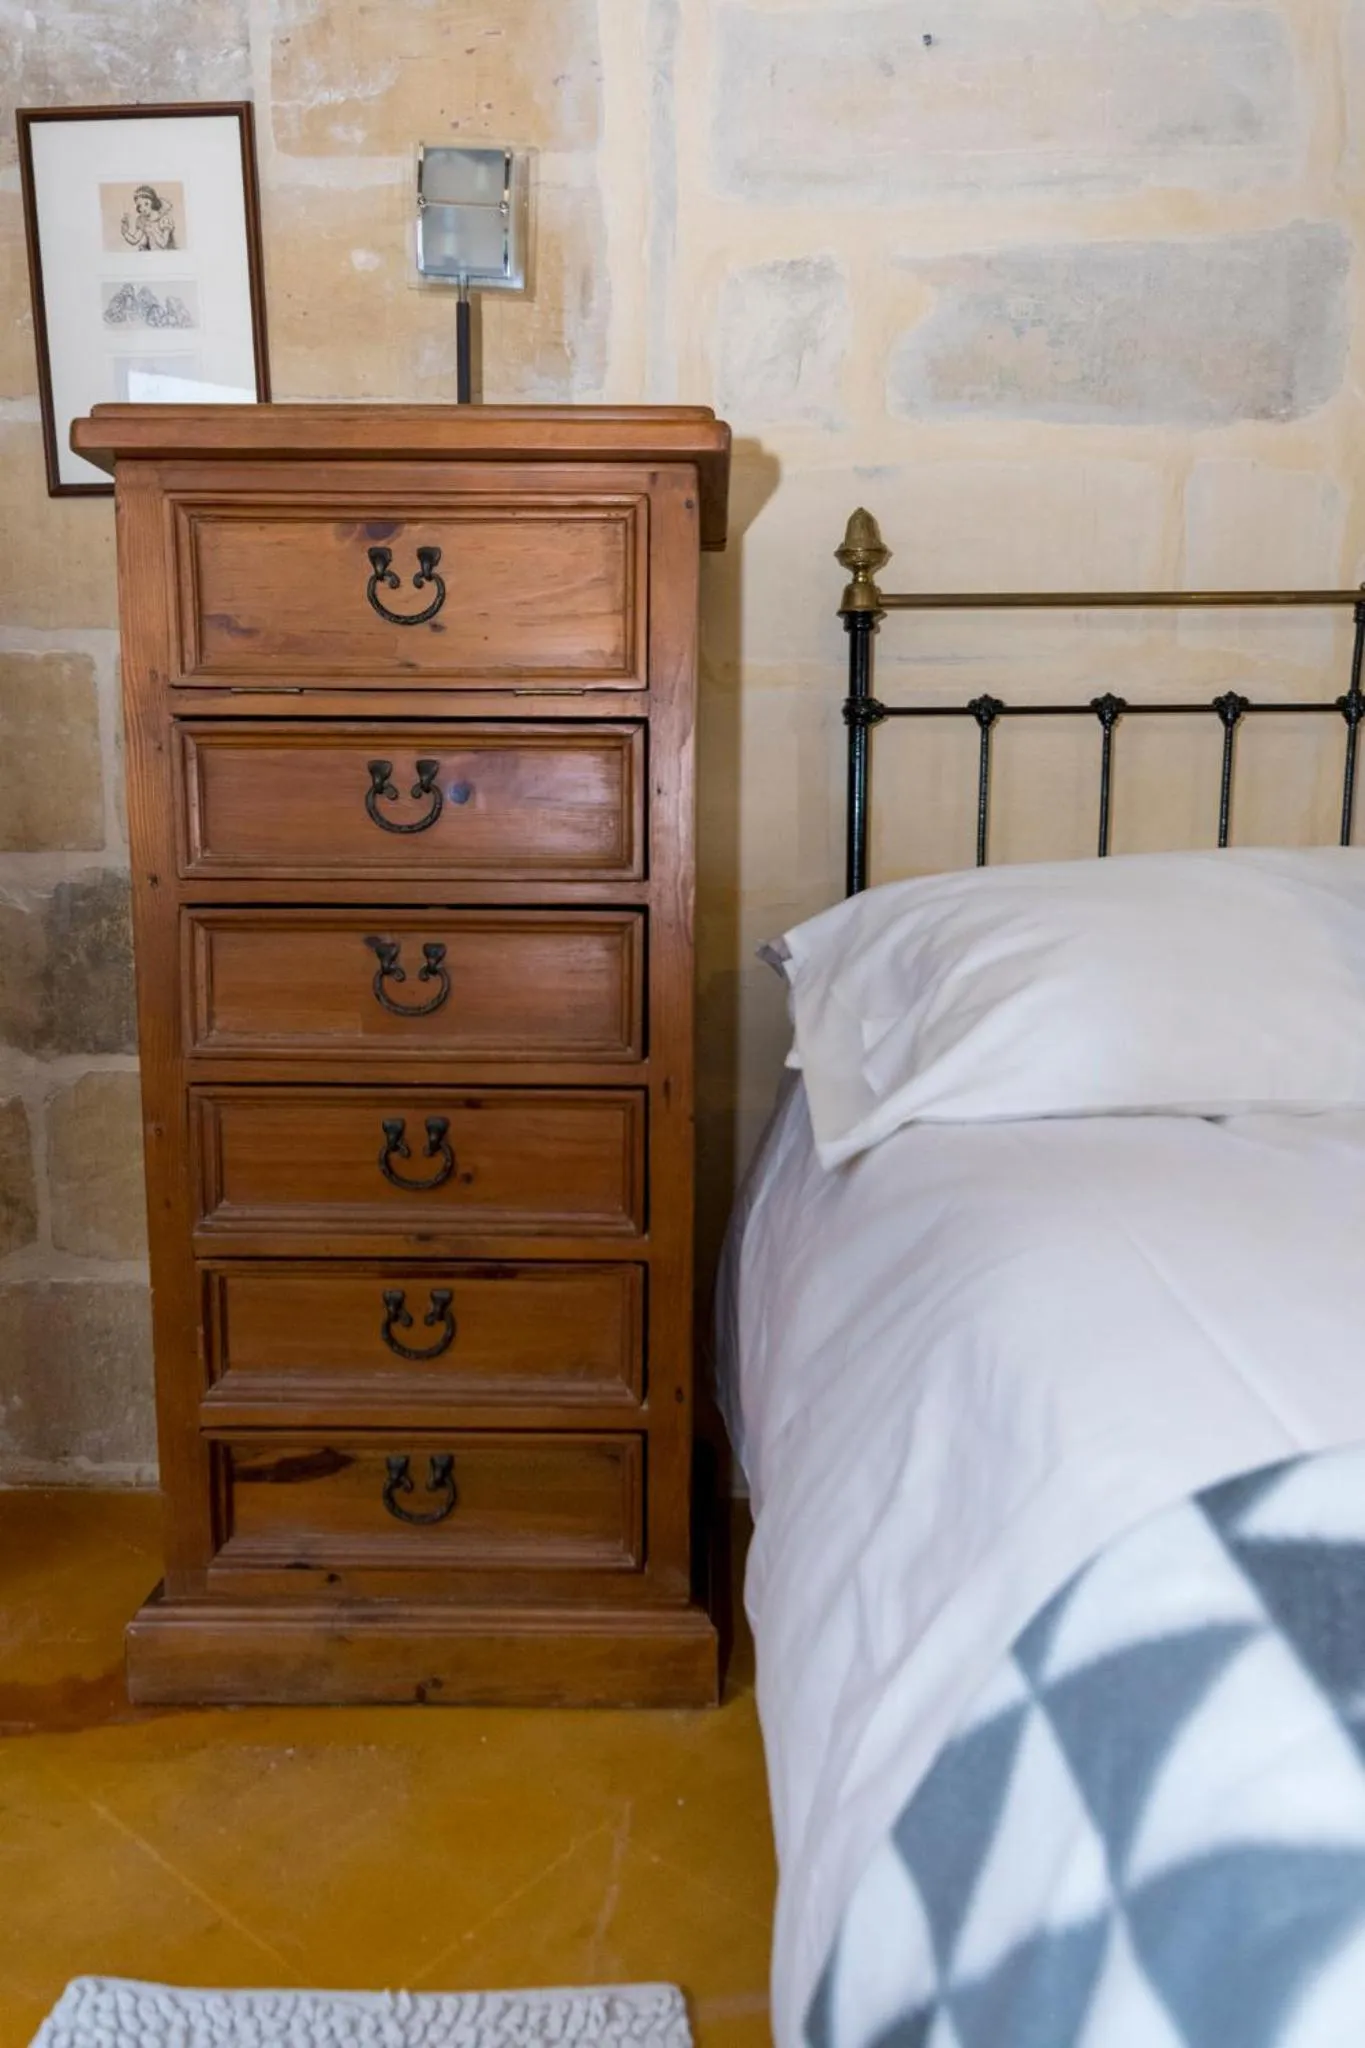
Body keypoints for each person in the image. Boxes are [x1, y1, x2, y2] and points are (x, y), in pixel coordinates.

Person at [120, 186, 177, 253]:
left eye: (146, 204)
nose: (143, 209)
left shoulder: (164, 219)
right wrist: (125, 233)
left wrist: (152, 230)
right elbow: (134, 240)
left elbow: (163, 244)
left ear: (153, 202)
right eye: (140, 206)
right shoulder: (143, 220)